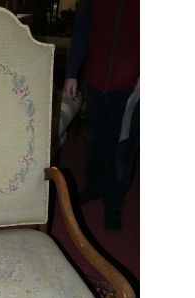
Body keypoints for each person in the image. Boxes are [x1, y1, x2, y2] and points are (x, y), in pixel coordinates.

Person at [64, 0, 140, 230]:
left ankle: (114, 204)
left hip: (130, 87)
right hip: (95, 81)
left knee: (123, 148)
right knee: (95, 140)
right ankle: (95, 186)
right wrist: (71, 72)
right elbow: (82, 31)